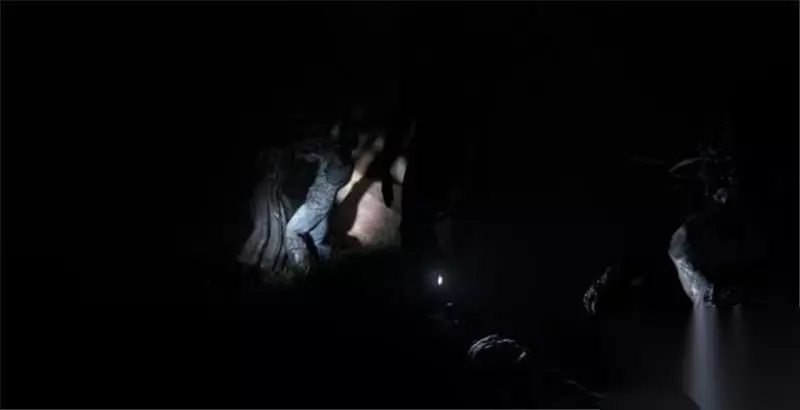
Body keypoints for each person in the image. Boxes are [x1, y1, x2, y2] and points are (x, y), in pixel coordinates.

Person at [284, 124, 358, 274]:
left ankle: (302, 272)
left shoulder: (333, 155)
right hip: (325, 204)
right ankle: (331, 267)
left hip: (316, 204)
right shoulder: (348, 162)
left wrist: (300, 154)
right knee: (317, 241)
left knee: (291, 231)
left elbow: (312, 155)